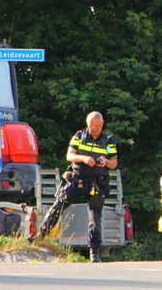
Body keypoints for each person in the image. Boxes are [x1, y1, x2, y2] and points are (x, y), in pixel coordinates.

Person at [36, 112, 118, 262]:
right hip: (77, 179)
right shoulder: (79, 136)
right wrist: (84, 158)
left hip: (97, 183)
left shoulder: (108, 140)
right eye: (92, 126)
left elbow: (114, 163)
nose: (94, 129)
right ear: (87, 124)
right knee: (58, 205)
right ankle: (40, 236)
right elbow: (70, 156)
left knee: (95, 217)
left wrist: (106, 162)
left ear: (103, 124)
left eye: (97, 126)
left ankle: (94, 252)